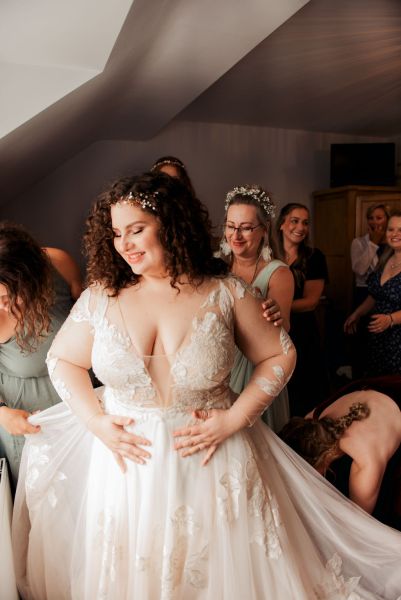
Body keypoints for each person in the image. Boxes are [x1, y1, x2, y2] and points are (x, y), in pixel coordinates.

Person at [13, 173, 401, 600]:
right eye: (117, 233)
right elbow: (62, 360)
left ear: (172, 224)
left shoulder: (225, 291)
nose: (125, 243)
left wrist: (234, 418)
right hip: (125, 467)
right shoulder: (102, 295)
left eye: (137, 229)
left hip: (212, 459)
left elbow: (280, 354)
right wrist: (97, 423)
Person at [0, 223, 81, 489]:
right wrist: (2, 415)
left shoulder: (58, 264)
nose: (3, 304)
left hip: (83, 408)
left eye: (11, 295)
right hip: (30, 425)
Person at [217, 184, 294, 432]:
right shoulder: (216, 267)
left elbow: (284, 328)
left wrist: (275, 316)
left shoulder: (278, 273)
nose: (236, 235)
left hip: (254, 368)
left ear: (264, 229)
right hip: (218, 361)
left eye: (246, 228)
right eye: (231, 226)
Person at [280, 375, 401, 525]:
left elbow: (358, 522)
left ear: (323, 460)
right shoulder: (312, 418)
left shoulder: (366, 460)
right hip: (382, 388)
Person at [277, 203, 330, 415]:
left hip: (303, 331)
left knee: (305, 389)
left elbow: (311, 301)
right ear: (281, 224)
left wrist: (277, 307)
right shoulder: (268, 254)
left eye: (305, 223)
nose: (301, 227)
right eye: (295, 221)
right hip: (274, 330)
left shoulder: (314, 257)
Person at [344, 210, 401, 377]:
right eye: (391, 229)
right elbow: (375, 295)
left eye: (400, 230)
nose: (395, 234)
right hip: (379, 337)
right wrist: (357, 313)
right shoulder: (385, 258)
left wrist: (391, 319)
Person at [351, 203, 389, 306]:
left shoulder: (394, 244)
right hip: (364, 292)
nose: (374, 222)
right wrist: (373, 243)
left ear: (387, 220)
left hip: (388, 293)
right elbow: (359, 270)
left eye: (379, 218)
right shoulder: (358, 242)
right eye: (370, 218)